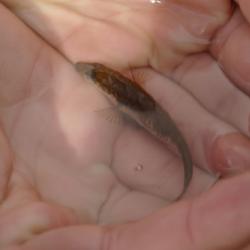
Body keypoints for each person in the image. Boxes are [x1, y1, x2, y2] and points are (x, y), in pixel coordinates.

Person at [0, 0, 250, 249]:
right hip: (145, 105)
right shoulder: (112, 81)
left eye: (91, 72)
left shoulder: (111, 87)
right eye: (91, 72)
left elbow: (122, 102)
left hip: (148, 110)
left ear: (100, 82)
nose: (89, 71)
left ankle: (185, 179)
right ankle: (186, 180)